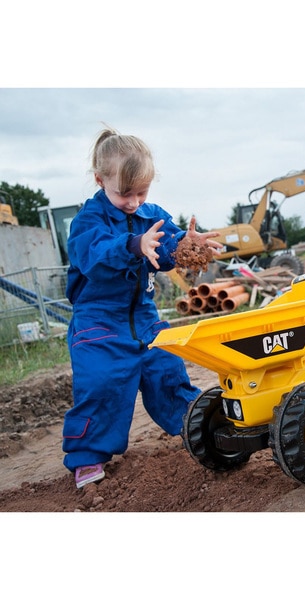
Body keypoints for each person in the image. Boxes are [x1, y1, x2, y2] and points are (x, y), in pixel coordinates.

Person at [62, 126, 222, 489]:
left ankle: (198, 426)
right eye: (124, 193)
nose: (134, 202)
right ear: (100, 180)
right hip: (99, 321)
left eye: (141, 192)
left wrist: (186, 245)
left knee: (167, 368)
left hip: (144, 317)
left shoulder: (153, 214)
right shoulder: (88, 221)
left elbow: (169, 246)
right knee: (101, 383)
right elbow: (96, 258)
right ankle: (87, 456)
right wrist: (134, 244)